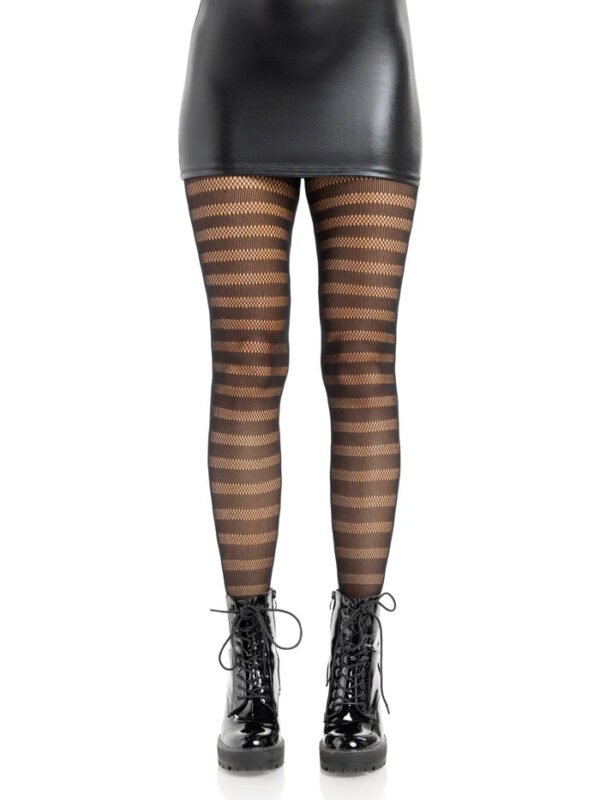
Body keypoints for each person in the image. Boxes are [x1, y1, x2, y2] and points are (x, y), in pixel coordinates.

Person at [178, 0, 422, 774]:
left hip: (364, 61)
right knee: (246, 359)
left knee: (361, 361)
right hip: (238, 62)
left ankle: (355, 667)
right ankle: (251, 673)